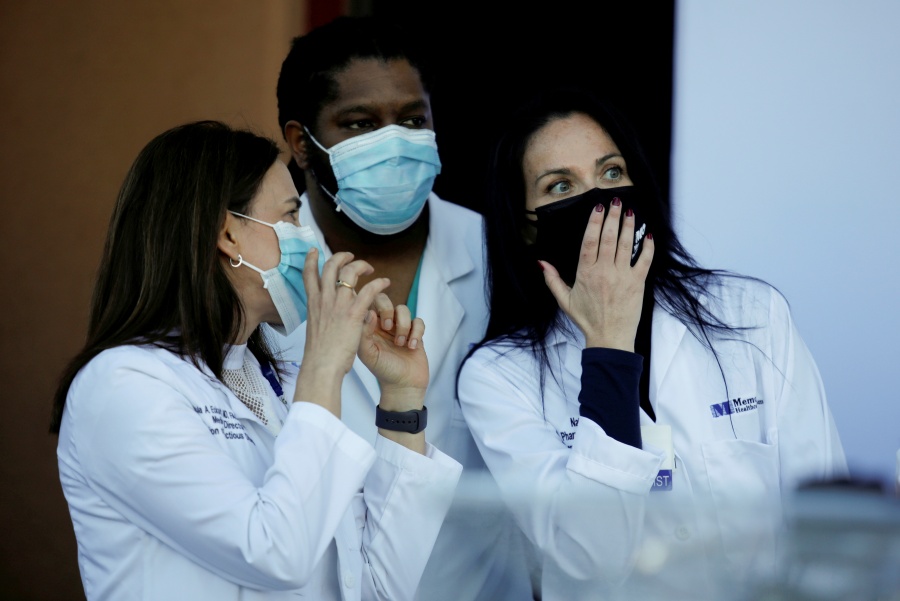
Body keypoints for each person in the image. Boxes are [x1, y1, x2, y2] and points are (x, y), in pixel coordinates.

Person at [456, 86, 849, 601]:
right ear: (526, 227)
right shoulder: (496, 376)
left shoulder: (752, 315)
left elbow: (830, 523)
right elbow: (592, 554)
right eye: (560, 186)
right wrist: (609, 343)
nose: (599, 202)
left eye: (611, 173)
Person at [49, 120, 462, 601]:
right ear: (228, 234)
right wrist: (324, 366)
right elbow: (276, 554)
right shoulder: (123, 386)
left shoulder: (270, 379)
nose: (309, 239)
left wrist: (402, 400)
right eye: (291, 216)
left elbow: (376, 585)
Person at [273, 15, 534, 601]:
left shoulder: (499, 256)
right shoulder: (267, 276)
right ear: (301, 142)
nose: (393, 143)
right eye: (361, 124)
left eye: (413, 121)